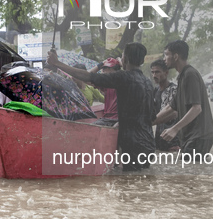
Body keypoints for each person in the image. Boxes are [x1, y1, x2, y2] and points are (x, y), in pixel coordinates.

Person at [48, 43, 155, 171]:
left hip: (131, 144)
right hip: (149, 142)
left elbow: (89, 77)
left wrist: (57, 63)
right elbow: (152, 116)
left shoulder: (123, 77)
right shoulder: (149, 83)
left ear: (125, 59)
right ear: (142, 60)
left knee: (129, 182)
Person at [155, 40, 213, 160]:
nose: (164, 59)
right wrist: (149, 122)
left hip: (199, 136)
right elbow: (171, 107)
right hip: (192, 136)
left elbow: (196, 108)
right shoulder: (182, 76)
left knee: (189, 174)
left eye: (166, 54)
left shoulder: (190, 74)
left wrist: (174, 128)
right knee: (188, 173)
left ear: (176, 56)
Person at [150, 59, 179, 152]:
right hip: (159, 140)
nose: (154, 75)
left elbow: (173, 114)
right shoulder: (155, 90)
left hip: (173, 141)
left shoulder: (173, 89)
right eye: (153, 72)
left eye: (157, 72)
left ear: (166, 73)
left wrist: (150, 123)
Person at [87, 58, 121, 127]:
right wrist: (99, 65)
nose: (104, 70)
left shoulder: (124, 81)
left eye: (107, 68)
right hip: (106, 119)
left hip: (118, 119)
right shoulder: (105, 83)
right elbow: (87, 78)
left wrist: (122, 63)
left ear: (115, 70)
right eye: (103, 68)